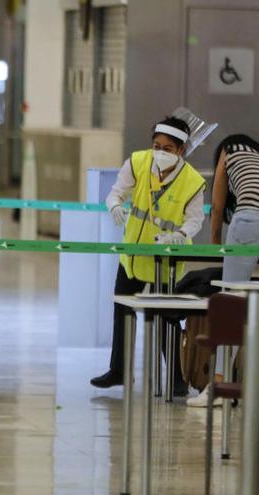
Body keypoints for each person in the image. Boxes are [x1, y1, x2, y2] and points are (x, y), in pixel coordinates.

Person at [90, 116, 206, 396]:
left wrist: (180, 234)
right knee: (122, 311)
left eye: (167, 148)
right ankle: (118, 371)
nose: (160, 152)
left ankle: (176, 379)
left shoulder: (192, 181)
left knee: (166, 316)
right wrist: (115, 205)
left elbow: (194, 221)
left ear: (181, 150)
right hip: (133, 255)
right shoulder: (138, 162)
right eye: (157, 145)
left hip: (165, 261)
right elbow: (115, 193)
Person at [190, 133, 259, 407]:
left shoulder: (229, 151)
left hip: (247, 221)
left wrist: (216, 245)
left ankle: (217, 387)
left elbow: (218, 206)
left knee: (230, 304)